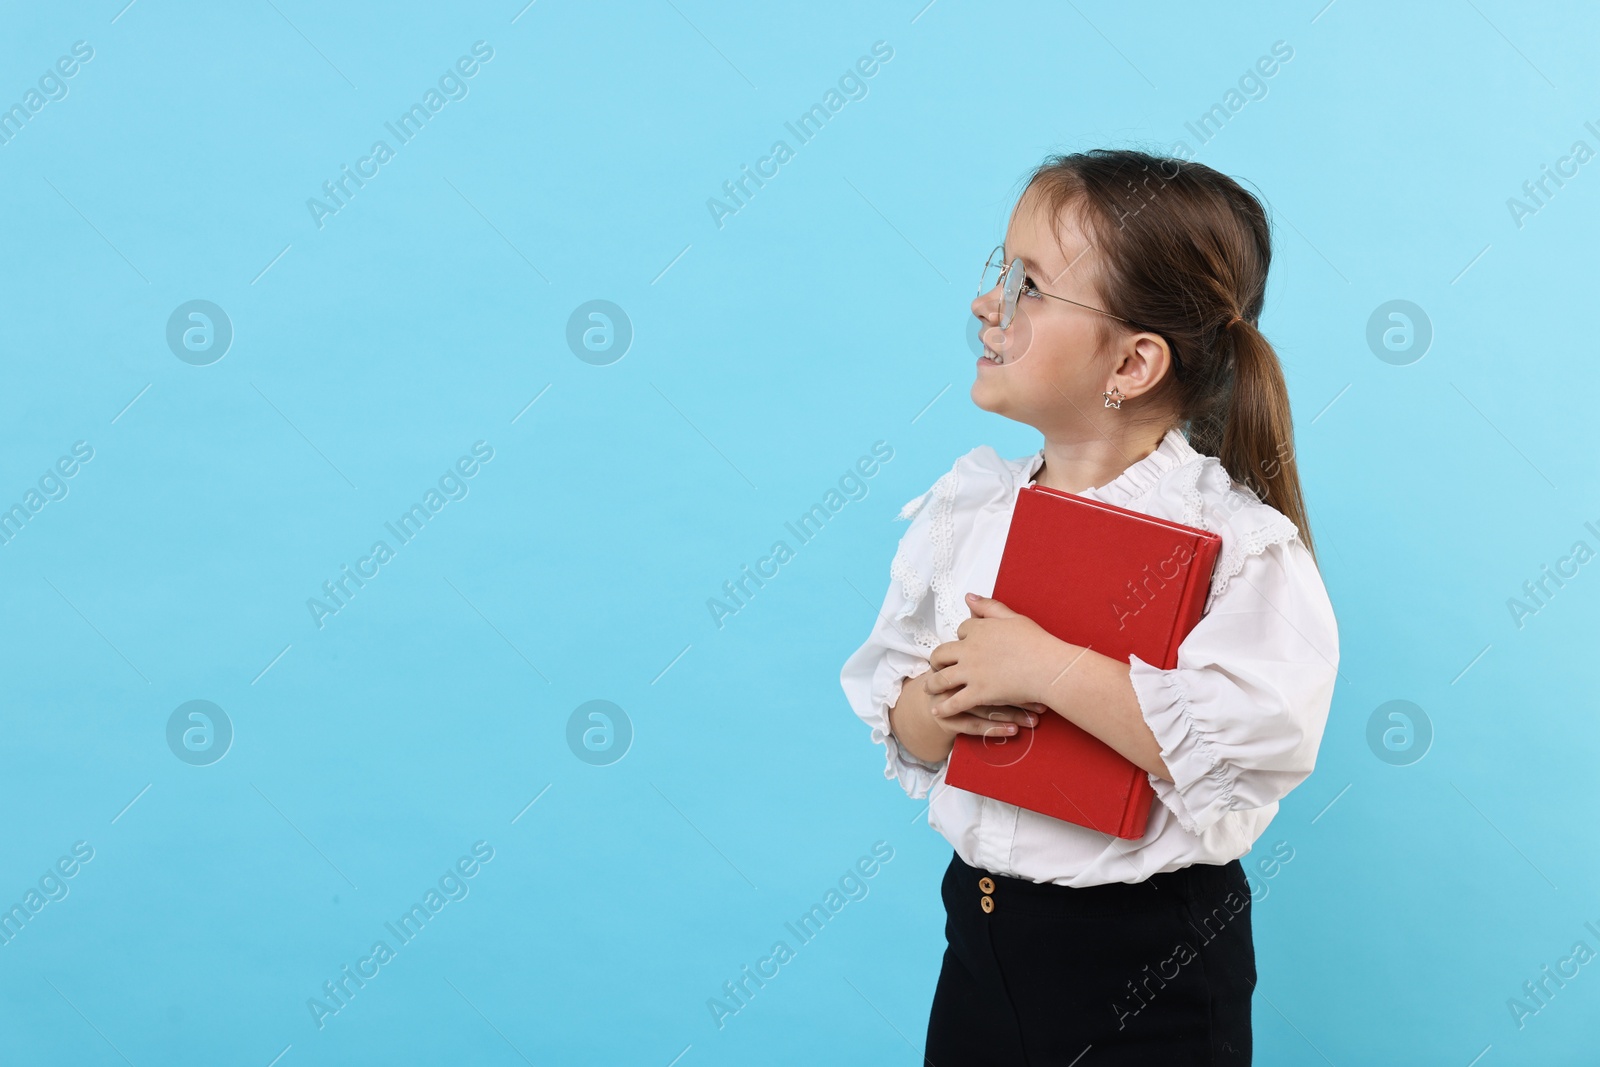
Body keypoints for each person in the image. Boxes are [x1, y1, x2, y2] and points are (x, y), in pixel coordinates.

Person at [838, 149, 1340, 1065]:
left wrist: (1046, 667)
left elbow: (1244, 749)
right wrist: (936, 704)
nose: (990, 305)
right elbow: (904, 728)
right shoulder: (969, 514)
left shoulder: (1237, 546)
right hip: (984, 938)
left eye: (1029, 285)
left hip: (1146, 966)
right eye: (1000, 272)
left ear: (1133, 360)